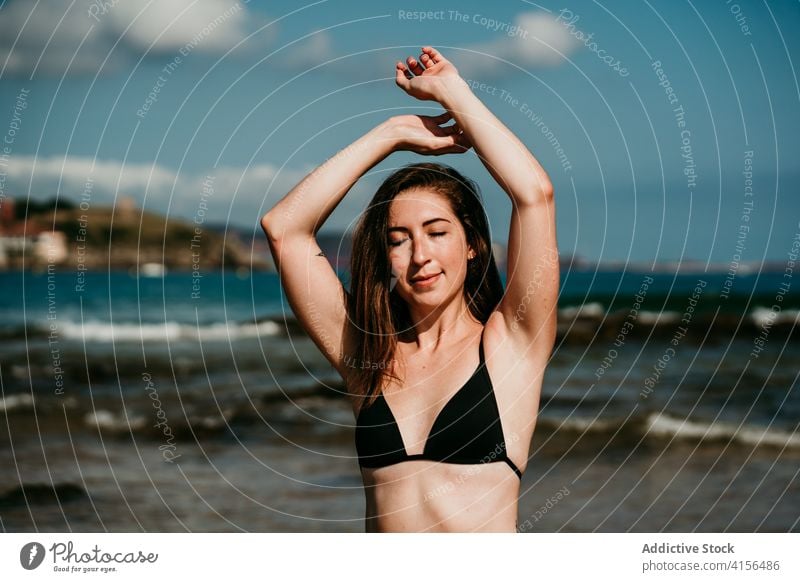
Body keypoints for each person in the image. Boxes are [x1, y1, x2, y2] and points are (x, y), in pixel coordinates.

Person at [260, 46, 558, 532]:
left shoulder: (510, 346)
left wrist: (452, 92)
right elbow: (284, 229)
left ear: (472, 247)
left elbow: (534, 194)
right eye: (398, 240)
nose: (420, 255)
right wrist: (392, 133)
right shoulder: (366, 355)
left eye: (437, 233)